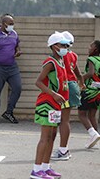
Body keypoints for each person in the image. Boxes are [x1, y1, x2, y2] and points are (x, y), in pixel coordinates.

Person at [31, 32, 70, 179]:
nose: (66, 47)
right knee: (45, 137)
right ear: (54, 47)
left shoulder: (61, 61)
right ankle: (36, 170)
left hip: (56, 105)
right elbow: (38, 82)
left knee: (52, 136)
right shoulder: (50, 62)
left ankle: (45, 167)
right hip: (47, 103)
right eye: (63, 45)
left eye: (67, 45)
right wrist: (53, 94)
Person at [51, 31, 84, 161]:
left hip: (64, 88)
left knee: (62, 120)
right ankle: (63, 149)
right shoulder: (73, 55)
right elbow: (79, 74)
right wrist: (81, 84)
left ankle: (63, 150)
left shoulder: (59, 56)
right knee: (64, 119)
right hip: (72, 86)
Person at [77, 40, 100, 149]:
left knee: (82, 114)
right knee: (92, 115)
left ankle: (93, 134)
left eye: (91, 46)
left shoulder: (91, 59)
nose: (89, 47)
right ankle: (95, 137)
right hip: (98, 91)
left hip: (89, 91)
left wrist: (81, 79)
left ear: (95, 49)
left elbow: (90, 73)